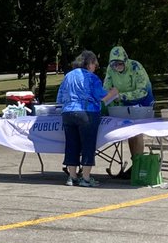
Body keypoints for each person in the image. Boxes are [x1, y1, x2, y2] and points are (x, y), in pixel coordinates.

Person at [56, 50, 119, 187]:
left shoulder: (68, 76)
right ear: (89, 63)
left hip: (67, 113)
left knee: (71, 145)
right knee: (88, 145)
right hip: (86, 112)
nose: (95, 67)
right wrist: (114, 92)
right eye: (95, 64)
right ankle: (85, 178)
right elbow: (102, 97)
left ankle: (72, 177)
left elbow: (59, 98)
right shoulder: (91, 78)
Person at [104, 45, 154, 172]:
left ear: (125, 60)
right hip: (124, 103)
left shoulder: (136, 66)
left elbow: (143, 91)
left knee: (137, 131)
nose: (117, 66)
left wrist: (121, 96)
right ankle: (135, 162)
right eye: (114, 64)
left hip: (142, 101)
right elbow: (106, 88)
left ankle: (139, 164)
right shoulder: (110, 69)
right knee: (129, 133)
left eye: (120, 63)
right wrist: (104, 98)